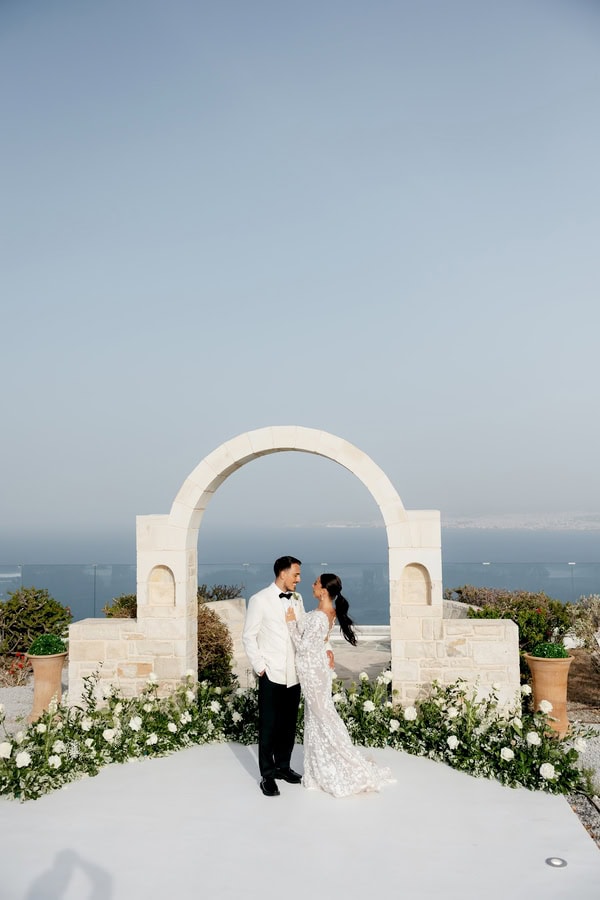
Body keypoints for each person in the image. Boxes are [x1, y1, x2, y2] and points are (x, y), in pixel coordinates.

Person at [285, 573, 395, 798]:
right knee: (320, 716)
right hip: (318, 669)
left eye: (316, 583)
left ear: (324, 590)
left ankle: (343, 762)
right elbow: (321, 640)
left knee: (322, 718)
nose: (312, 585)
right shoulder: (330, 612)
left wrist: (290, 625)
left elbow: (304, 646)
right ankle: (322, 766)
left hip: (313, 672)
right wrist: (327, 650)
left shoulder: (318, 617)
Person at [242, 555, 307, 797]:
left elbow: (300, 630)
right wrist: (261, 667)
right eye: (296, 574)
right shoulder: (259, 600)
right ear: (282, 574)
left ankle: (283, 767)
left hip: (295, 673)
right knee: (268, 726)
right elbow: (249, 636)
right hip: (271, 672)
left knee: (288, 725)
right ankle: (267, 775)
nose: (299, 579)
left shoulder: (298, 600)